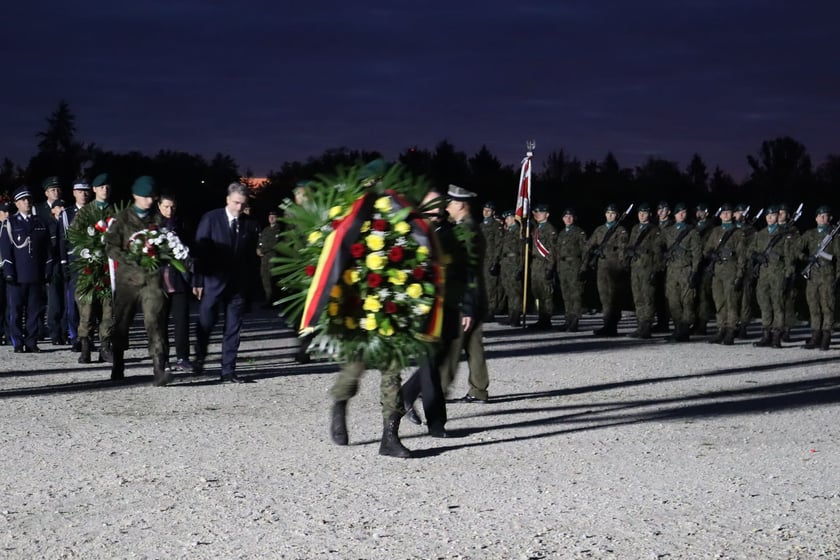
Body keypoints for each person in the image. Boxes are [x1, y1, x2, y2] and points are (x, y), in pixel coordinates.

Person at [104, 176, 171, 385]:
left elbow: (166, 243)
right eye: (145, 197)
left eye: (152, 197)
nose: (149, 201)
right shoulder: (122, 219)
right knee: (122, 323)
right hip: (128, 280)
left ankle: (159, 367)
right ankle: (118, 363)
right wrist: (130, 257)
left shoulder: (158, 220)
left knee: (155, 321)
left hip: (152, 280)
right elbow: (110, 246)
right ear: (134, 196)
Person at [192, 182, 261, 382]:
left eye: (243, 204)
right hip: (213, 282)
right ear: (227, 200)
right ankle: (200, 357)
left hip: (238, 285)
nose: (239, 208)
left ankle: (228, 370)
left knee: (233, 328)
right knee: (205, 323)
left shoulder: (250, 223)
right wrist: (198, 280)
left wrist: (253, 288)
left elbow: (251, 258)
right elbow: (200, 251)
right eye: (236, 203)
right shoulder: (211, 219)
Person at [441, 185, 490, 403]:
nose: (447, 207)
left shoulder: (466, 232)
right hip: (475, 296)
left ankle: (439, 389)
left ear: (461, 205)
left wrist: (467, 306)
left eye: (450, 203)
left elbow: (468, 269)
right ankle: (479, 389)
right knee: (473, 344)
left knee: (453, 342)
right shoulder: (468, 228)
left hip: (465, 298)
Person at [68, 173, 116, 363]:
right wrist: (89, 247)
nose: (105, 190)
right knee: (86, 309)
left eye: (107, 187)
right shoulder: (85, 212)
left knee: (108, 310)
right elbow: (72, 236)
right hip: (88, 268)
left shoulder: (114, 212)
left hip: (107, 269)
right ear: (94, 190)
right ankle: (85, 347)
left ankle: (105, 347)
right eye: (101, 187)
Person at [0, 187, 54, 353]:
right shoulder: (10, 224)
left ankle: (31, 341)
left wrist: (48, 269)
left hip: (36, 274)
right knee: (15, 311)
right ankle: (17, 341)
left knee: (35, 311)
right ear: (16, 204)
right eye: (23, 200)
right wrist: (9, 272)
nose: (27, 202)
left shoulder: (40, 223)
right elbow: (6, 250)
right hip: (17, 275)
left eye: (29, 199)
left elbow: (47, 250)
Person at [749, 206, 795, 348]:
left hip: (778, 274)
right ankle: (766, 335)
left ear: (778, 217)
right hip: (763, 274)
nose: (770, 218)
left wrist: (788, 275)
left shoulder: (785, 234)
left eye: (773, 215)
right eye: (768, 215)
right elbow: (750, 250)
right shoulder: (760, 234)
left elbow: (789, 257)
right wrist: (757, 256)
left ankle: (776, 336)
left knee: (778, 305)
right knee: (764, 304)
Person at [158, 193, 194, 372]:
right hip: (159, 283)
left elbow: (191, 250)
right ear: (159, 206)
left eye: (172, 207)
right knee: (161, 323)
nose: (169, 210)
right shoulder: (152, 226)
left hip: (178, 281)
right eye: (165, 206)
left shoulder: (182, 224)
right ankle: (162, 359)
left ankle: (183, 357)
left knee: (181, 322)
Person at [704, 203, 747, 345]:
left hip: (731, 269)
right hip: (717, 270)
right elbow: (706, 249)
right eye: (724, 213)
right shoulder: (715, 231)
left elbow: (742, 255)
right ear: (720, 215)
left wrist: (740, 274)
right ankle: (721, 328)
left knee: (731, 302)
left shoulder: (737, 232)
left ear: (733, 214)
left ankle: (730, 330)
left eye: (729, 212)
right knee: (719, 301)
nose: (726, 215)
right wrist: (712, 255)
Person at [800, 205, 839, 350]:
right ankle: (815, 335)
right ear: (816, 218)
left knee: (827, 307)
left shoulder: (834, 236)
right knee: (813, 306)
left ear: (830, 218)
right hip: (812, 276)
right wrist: (805, 257)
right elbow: (796, 248)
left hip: (828, 275)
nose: (823, 218)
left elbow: (838, 257)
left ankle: (826, 336)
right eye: (820, 215)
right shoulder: (810, 234)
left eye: (826, 215)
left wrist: (838, 276)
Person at [587, 203, 629, 336]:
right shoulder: (599, 230)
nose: (610, 216)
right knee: (604, 296)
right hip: (602, 266)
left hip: (614, 266)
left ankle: (612, 325)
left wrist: (622, 265)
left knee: (613, 297)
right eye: (608, 213)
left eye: (612, 213)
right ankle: (606, 324)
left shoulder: (620, 230)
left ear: (616, 215)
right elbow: (589, 244)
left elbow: (623, 248)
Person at [662, 202, 702, 342]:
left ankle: (684, 330)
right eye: (679, 212)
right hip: (672, 270)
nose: (681, 215)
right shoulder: (669, 231)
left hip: (686, 269)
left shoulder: (692, 232)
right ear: (675, 214)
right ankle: (677, 327)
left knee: (687, 301)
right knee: (673, 301)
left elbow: (697, 253)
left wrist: (695, 271)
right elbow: (661, 246)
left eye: (684, 212)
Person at [60, 180, 92, 351]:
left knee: (91, 303)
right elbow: (62, 240)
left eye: (86, 191)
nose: (83, 194)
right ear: (74, 193)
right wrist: (64, 262)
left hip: (92, 263)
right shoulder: (66, 214)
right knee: (73, 305)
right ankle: (75, 337)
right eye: (80, 191)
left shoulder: (95, 211)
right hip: (75, 264)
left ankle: (88, 337)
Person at [624, 203, 663, 339]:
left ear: (649, 215)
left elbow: (658, 251)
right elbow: (630, 244)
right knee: (638, 297)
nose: (641, 215)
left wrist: (655, 269)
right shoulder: (635, 228)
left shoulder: (654, 230)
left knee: (648, 298)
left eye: (644, 213)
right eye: (640, 213)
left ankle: (647, 326)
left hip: (647, 267)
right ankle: (640, 324)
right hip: (636, 267)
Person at [556, 208, 588, 332]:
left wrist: (583, 268)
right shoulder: (562, 233)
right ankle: (568, 319)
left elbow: (585, 251)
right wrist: (558, 269)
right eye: (565, 217)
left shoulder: (579, 232)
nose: (568, 219)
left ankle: (574, 321)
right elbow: (558, 253)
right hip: (563, 267)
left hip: (574, 265)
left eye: (570, 216)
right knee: (566, 295)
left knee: (575, 295)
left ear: (574, 218)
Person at [528, 203, 558, 330]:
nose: (537, 214)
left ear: (547, 214)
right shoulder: (537, 229)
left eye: (541, 212)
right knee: (537, 293)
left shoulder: (549, 230)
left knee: (546, 294)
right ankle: (541, 318)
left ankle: (546, 320)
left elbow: (552, 251)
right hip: (535, 265)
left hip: (545, 264)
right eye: (536, 212)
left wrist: (550, 268)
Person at [733, 203, 758, 339]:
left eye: (742, 212)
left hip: (747, 267)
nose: (740, 215)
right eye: (737, 212)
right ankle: (732, 324)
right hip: (732, 266)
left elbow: (753, 248)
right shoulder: (730, 229)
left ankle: (743, 326)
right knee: (732, 298)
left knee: (745, 299)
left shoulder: (751, 230)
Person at [497, 209, 524, 327]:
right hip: (505, 264)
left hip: (514, 263)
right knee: (508, 291)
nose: (506, 221)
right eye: (506, 219)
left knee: (515, 292)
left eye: (508, 218)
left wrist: (521, 267)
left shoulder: (519, 232)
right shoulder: (507, 232)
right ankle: (511, 315)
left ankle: (516, 317)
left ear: (513, 218)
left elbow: (523, 252)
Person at [693, 202, 716, 335]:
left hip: (705, 264)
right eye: (698, 211)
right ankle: (696, 322)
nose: (699, 213)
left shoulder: (711, 228)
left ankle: (702, 324)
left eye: (701, 211)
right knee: (695, 295)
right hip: (695, 264)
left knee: (703, 296)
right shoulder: (695, 227)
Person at [480, 201, 503, 322]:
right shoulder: (480, 225)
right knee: (481, 286)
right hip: (481, 260)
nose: (486, 212)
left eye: (488, 210)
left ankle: (490, 311)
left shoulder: (496, 226)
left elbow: (499, 244)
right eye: (484, 210)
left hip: (490, 260)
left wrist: (495, 261)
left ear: (493, 212)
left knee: (490, 287)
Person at [257, 209, 281, 307]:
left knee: (272, 279)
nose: (271, 218)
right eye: (269, 217)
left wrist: (262, 250)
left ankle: (272, 300)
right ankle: (268, 299)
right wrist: (258, 248)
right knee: (265, 278)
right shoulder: (265, 229)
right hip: (264, 259)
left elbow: (274, 244)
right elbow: (260, 240)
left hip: (272, 258)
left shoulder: (278, 229)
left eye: (273, 217)